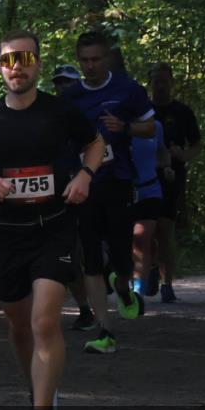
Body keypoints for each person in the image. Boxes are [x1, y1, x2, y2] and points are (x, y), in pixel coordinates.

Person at [0, 30, 104, 410]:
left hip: (53, 227)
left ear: (37, 62)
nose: (16, 67)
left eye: (25, 58)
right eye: (7, 60)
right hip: (6, 233)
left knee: (43, 322)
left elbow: (95, 143)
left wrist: (83, 176)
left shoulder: (60, 112)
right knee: (19, 326)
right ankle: (41, 396)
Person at [64, 31, 155, 354]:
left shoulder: (128, 90)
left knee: (119, 256)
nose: (90, 66)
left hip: (118, 180)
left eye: (95, 59)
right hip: (83, 184)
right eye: (84, 61)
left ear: (107, 58)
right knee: (90, 257)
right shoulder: (70, 97)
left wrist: (126, 128)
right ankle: (105, 332)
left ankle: (124, 287)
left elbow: (151, 127)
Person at [149, 63, 202, 302]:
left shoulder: (182, 112)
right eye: (156, 81)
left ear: (171, 83)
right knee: (145, 228)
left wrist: (183, 155)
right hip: (143, 175)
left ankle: (166, 283)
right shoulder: (143, 111)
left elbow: (197, 145)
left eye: (164, 81)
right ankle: (148, 269)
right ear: (150, 83)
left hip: (172, 177)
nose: (160, 86)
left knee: (165, 228)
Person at [52, 64, 95, 331]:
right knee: (67, 252)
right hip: (60, 192)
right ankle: (84, 308)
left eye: (68, 82)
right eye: (58, 83)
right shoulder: (48, 116)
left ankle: (114, 276)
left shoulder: (90, 113)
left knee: (92, 246)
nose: (62, 88)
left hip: (93, 188)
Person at [130, 117, 168, 299]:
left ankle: (137, 291)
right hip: (120, 190)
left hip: (150, 189)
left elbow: (162, 151)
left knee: (142, 238)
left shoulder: (155, 126)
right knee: (124, 240)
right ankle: (148, 268)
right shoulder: (111, 124)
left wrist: (167, 166)